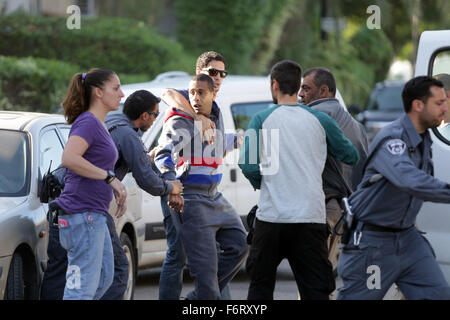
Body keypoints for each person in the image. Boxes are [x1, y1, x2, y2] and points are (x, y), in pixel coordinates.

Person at [40, 89, 184, 300]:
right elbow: (146, 178)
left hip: (65, 204)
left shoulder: (112, 121)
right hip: (85, 208)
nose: (155, 119)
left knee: (62, 272)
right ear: (144, 115)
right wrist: (171, 188)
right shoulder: (125, 133)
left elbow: (139, 162)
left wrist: (145, 162)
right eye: (154, 114)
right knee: (115, 271)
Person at [239, 60, 359, 300]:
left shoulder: (261, 119)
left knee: (260, 290)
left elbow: (248, 164)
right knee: (315, 291)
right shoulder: (321, 120)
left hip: (271, 219)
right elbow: (351, 155)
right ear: (298, 87)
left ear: (275, 85)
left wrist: (267, 183)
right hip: (310, 219)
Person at [337, 76, 450, 300]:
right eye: (439, 103)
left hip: (408, 239)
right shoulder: (394, 138)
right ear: (418, 105)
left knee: (438, 294)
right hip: (373, 242)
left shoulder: (424, 138)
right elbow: (410, 180)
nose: (445, 108)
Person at [155, 74, 248, 300]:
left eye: (201, 93)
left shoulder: (213, 117)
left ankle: (199, 297)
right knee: (203, 276)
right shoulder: (180, 120)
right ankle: (204, 296)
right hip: (192, 201)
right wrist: (171, 186)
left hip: (215, 198)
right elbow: (163, 153)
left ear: (213, 94)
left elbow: (213, 145)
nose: (195, 98)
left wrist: (238, 139)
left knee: (240, 246)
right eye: (192, 93)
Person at [55, 68, 128, 300]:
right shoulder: (87, 122)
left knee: (106, 277)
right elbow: (69, 158)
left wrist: (113, 186)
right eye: (115, 88)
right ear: (98, 92)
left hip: (93, 214)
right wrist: (110, 178)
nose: (122, 94)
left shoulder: (99, 124)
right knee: (81, 291)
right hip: (81, 214)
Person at [299, 67, 368, 268]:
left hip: (319, 207)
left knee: (311, 274)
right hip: (343, 209)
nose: (301, 94)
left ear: (323, 91)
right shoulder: (355, 125)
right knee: (323, 270)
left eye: (306, 88)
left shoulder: (310, 118)